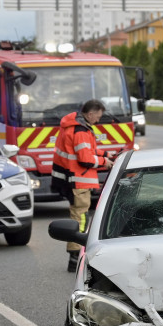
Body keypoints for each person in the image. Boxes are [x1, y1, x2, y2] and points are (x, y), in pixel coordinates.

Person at [51, 100, 114, 271]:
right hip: (78, 181)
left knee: (81, 216)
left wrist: (107, 154)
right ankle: (74, 256)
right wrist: (105, 162)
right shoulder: (80, 131)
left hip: (76, 180)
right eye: (98, 117)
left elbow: (88, 150)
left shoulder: (78, 127)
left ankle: (76, 255)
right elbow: (85, 159)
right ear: (90, 114)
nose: (98, 121)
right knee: (80, 217)